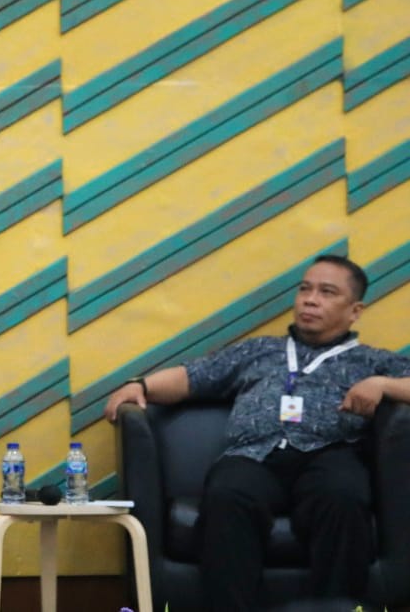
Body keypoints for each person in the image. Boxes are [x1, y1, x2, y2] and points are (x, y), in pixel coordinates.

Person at [103, 254, 410, 611]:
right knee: (228, 494)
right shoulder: (260, 350)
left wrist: (383, 385)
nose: (310, 300)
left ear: (355, 310)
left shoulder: (371, 361)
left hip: (331, 453)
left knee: (343, 497)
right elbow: (193, 377)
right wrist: (140, 385)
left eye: (327, 292)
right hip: (253, 455)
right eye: (305, 289)